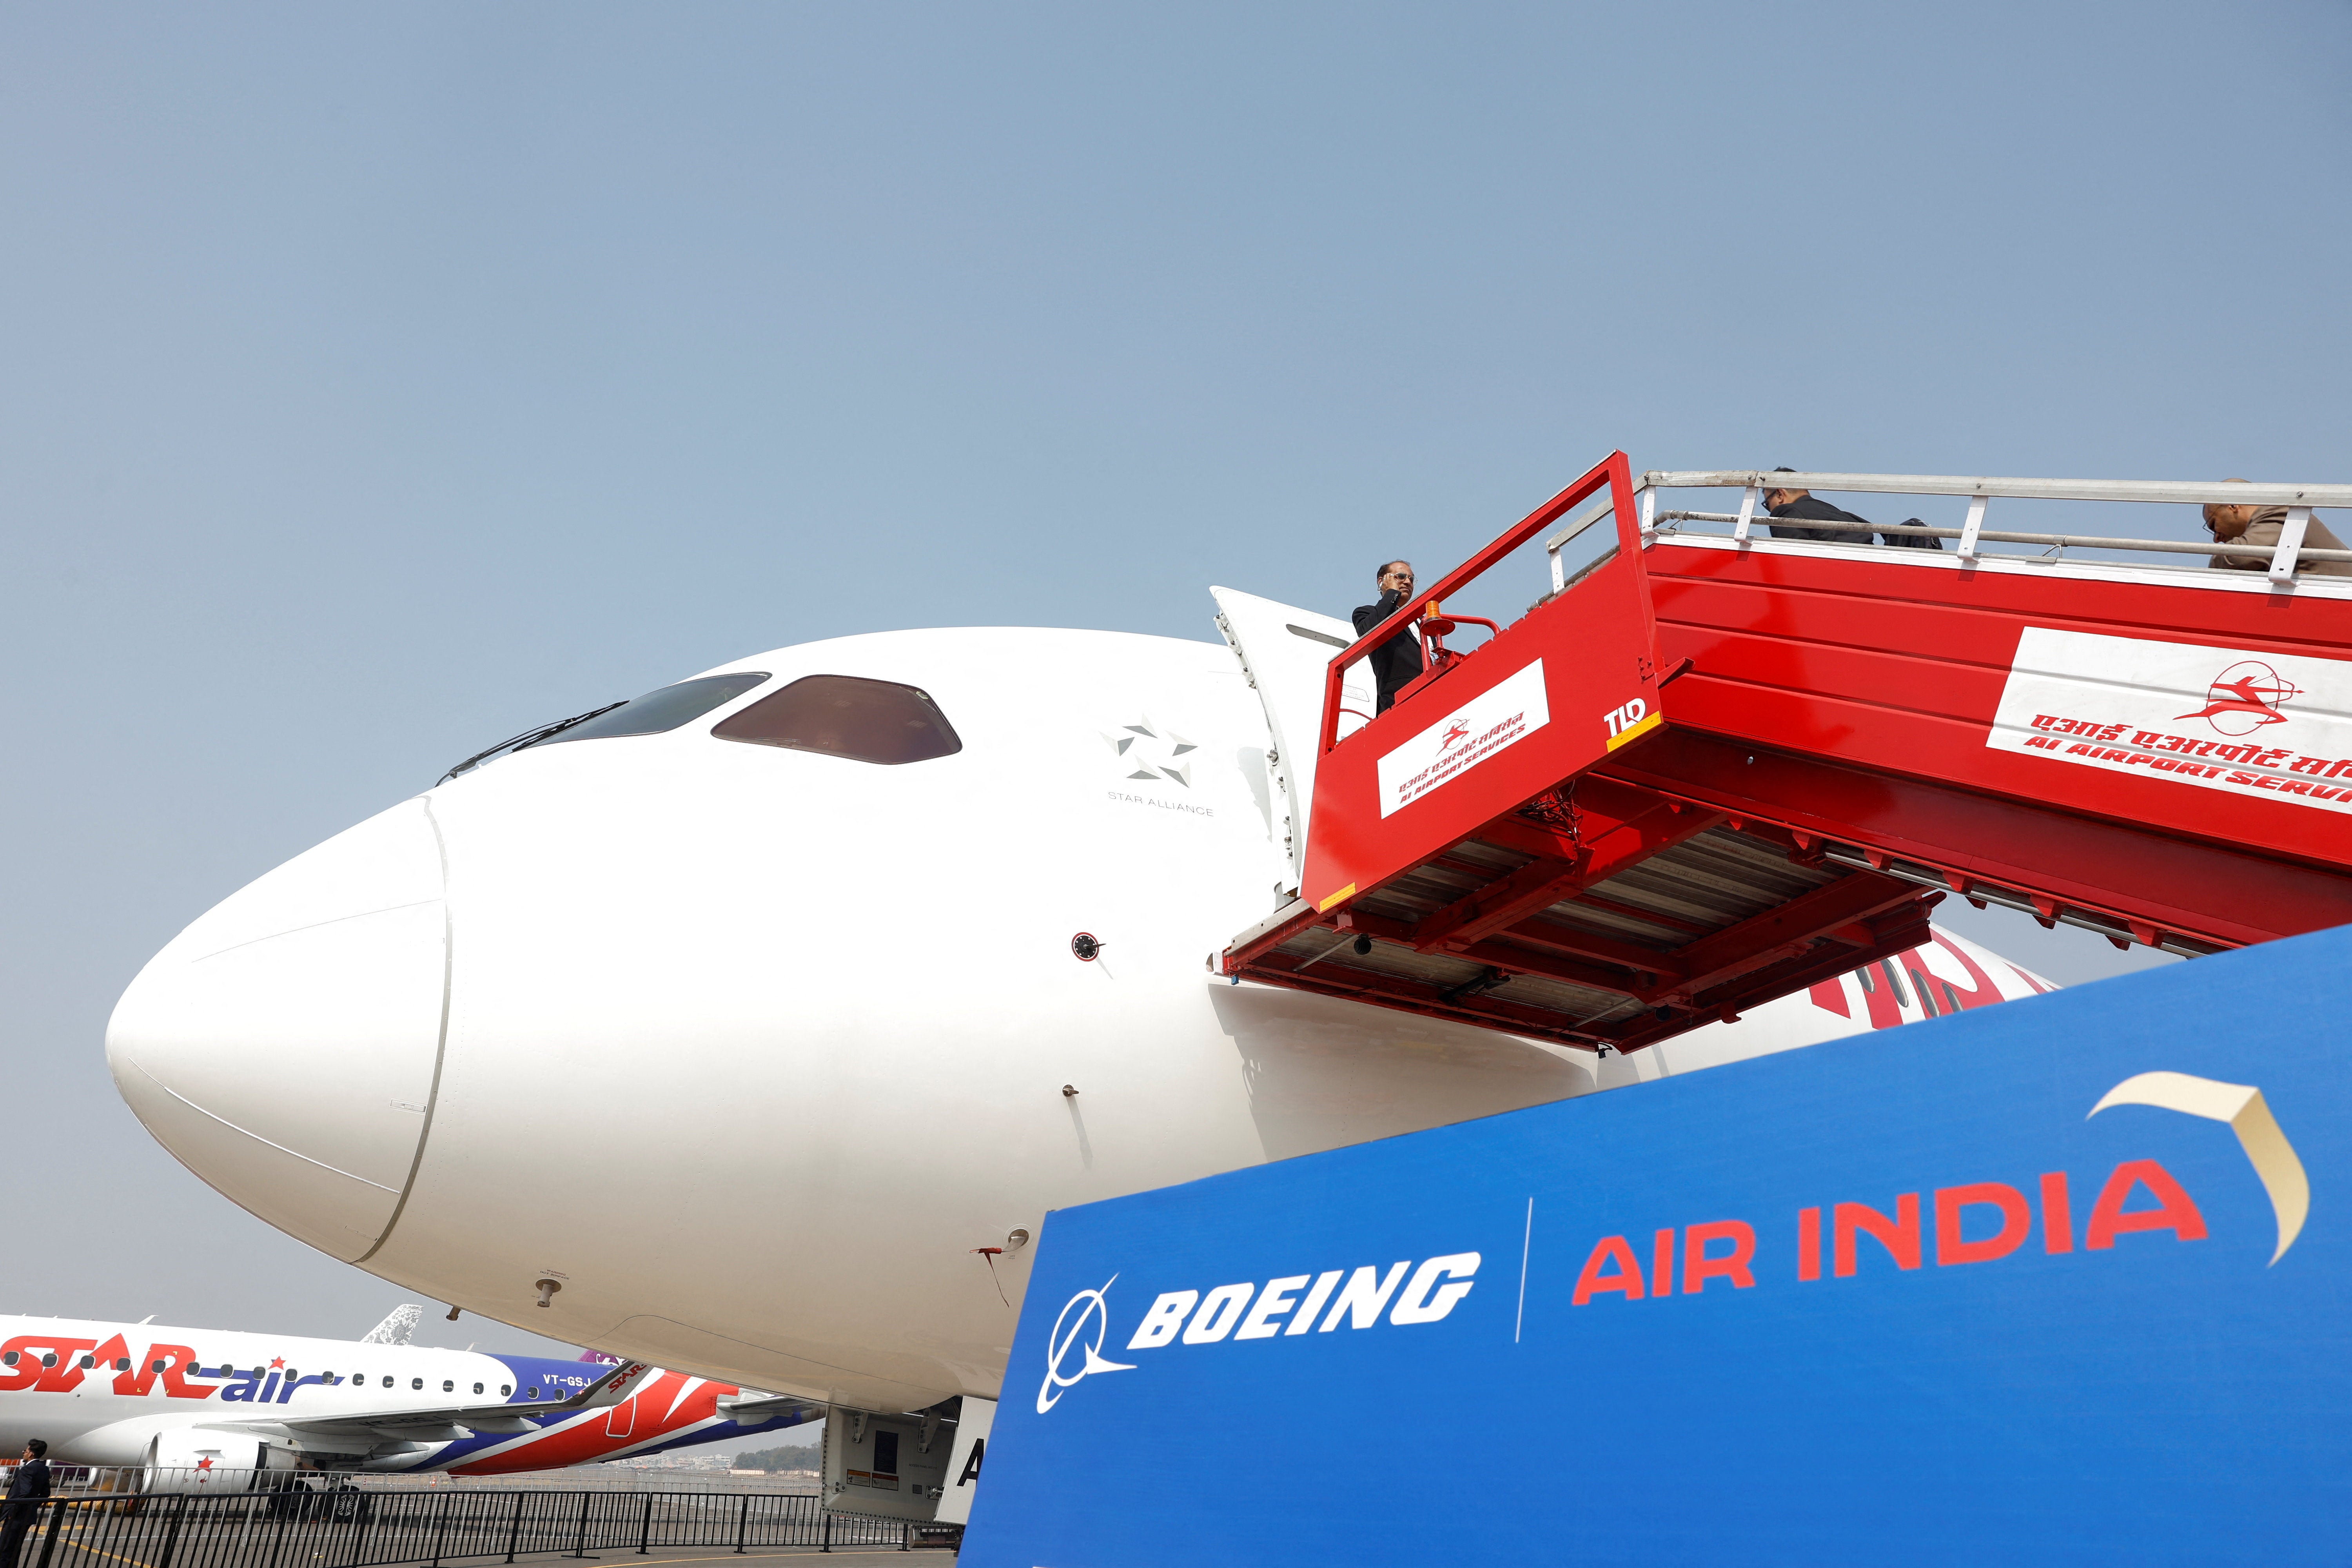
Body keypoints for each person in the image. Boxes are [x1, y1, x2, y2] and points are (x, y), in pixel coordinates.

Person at [2205, 478, 2352, 578]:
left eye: (2213, 525)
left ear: (2232, 506)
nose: (2216, 538)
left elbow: (2242, 558)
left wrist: (2214, 563)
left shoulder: (2277, 511)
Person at [1762, 469, 1940, 549]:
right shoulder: (1839, 513)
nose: (1770, 510)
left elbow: (1789, 561)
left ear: (1780, 494)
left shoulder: (1785, 512)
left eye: (1766, 503)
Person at [1353, 560, 1426, 713]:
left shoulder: (1423, 620)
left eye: (1411, 579)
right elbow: (1369, 631)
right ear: (1382, 581)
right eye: (1400, 576)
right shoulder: (1365, 613)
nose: (1408, 582)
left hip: (1434, 692)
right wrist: (1392, 594)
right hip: (1399, 701)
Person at [0, 1440, 51, 1568]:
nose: (24, 1454)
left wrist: (13, 1512)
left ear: (31, 1454)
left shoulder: (27, 1470)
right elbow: (46, 1493)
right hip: (28, 1516)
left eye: (25, 1451)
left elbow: (25, 1492)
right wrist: (32, 1507)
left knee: (5, 1548)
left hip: (17, 1516)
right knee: (15, 1549)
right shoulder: (44, 1469)